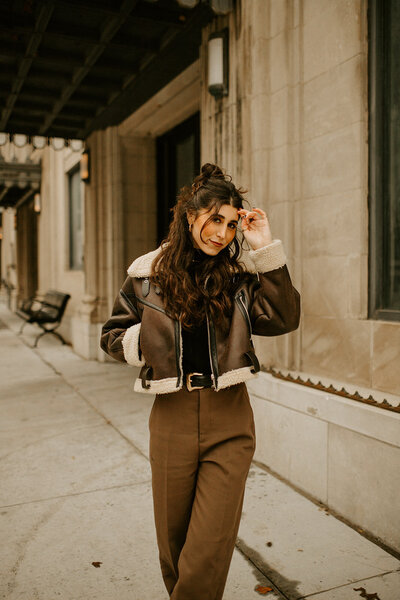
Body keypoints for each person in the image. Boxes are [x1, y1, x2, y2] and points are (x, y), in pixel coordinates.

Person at [100, 163, 300, 600]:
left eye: (232, 225)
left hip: (228, 418)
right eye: (215, 220)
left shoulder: (239, 278)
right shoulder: (146, 276)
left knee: (207, 547)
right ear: (190, 216)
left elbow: (284, 317)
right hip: (170, 420)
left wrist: (265, 249)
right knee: (174, 545)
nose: (223, 233)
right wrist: (142, 342)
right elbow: (111, 336)